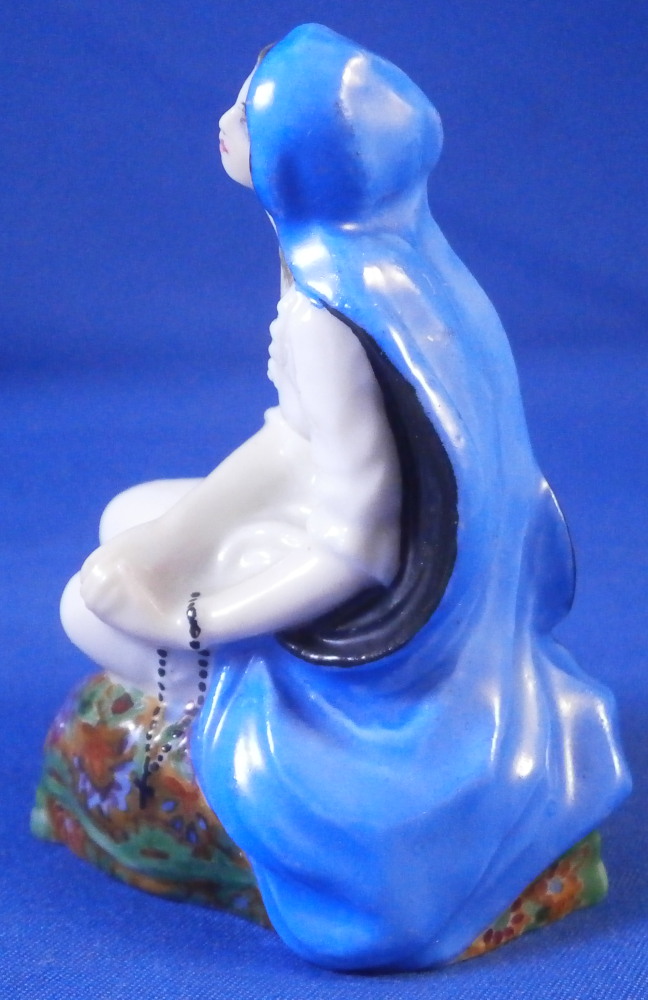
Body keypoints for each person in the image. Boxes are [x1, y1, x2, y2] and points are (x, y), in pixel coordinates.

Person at [34, 23, 629, 971]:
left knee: (85, 609)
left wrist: (188, 618)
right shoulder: (405, 265)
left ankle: (191, 716)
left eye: (251, 114)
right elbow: (297, 439)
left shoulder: (327, 314)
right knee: (127, 522)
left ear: (299, 165)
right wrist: (172, 541)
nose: (225, 120)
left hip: (389, 635)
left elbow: (360, 549)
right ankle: (184, 646)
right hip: (432, 576)